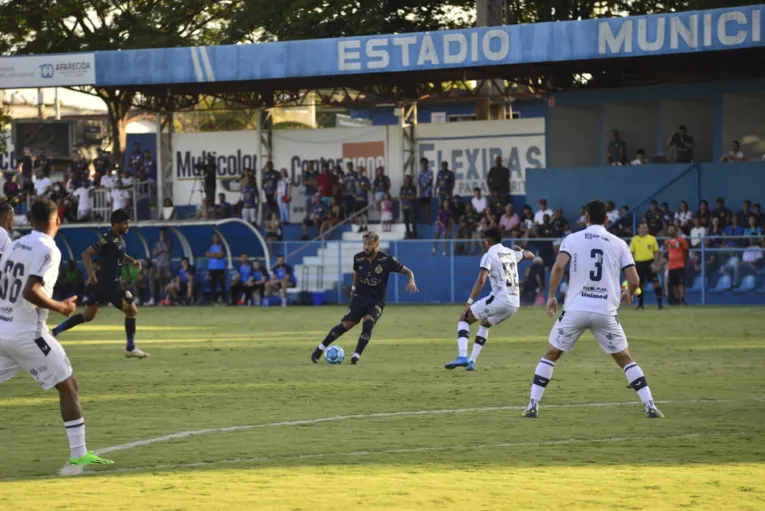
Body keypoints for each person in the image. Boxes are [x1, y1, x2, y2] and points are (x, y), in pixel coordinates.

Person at [521, 199, 664, 419]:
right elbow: (634, 280)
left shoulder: (572, 239)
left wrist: (551, 296)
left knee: (551, 354)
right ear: (607, 219)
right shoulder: (619, 243)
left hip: (576, 310)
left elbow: (559, 266)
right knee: (625, 358)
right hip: (605, 311)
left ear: (586, 218)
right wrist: (628, 293)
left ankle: (532, 405)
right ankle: (651, 406)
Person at [0, 199, 114, 470]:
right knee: (68, 385)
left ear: (29, 219)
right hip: (29, 334)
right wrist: (60, 306)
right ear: (57, 221)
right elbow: (30, 290)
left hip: (3, 328)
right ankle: (79, 452)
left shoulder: (15, 245)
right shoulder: (48, 248)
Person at [52, 209, 149, 359]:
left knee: (87, 316)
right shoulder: (107, 238)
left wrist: (132, 261)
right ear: (115, 224)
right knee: (131, 311)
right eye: (125, 223)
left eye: (128, 223)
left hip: (103, 286)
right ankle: (130, 347)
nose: (127, 226)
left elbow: (120, 255)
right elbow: (86, 254)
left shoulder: (118, 239)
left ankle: (54, 332)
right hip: (111, 285)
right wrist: (91, 275)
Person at [311, 231, 418, 365]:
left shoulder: (387, 260)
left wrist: (411, 281)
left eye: (369, 244)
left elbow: (407, 271)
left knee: (368, 322)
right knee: (346, 325)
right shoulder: (358, 258)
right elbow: (356, 274)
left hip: (376, 301)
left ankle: (356, 356)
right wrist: (354, 289)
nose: (366, 247)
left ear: (376, 244)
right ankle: (319, 349)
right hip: (359, 298)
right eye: (364, 244)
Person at [444, 228, 534, 371]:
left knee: (464, 319)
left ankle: (462, 356)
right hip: (514, 304)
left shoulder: (489, 254)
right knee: (485, 324)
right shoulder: (511, 253)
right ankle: (472, 361)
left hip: (500, 299)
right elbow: (531, 255)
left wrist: (469, 302)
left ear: (488, 241)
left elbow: (481, 280)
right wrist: (521, 250)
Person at [630, 222, 663, 310]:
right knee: (639, 285)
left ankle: (660, 304)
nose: (644, 229)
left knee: (656, 283)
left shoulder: (652, 239)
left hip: (650, 263)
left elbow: (656, 251)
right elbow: (632, 253)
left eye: (645, 228)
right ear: (638, 229)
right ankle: (640, 305)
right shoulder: (634, 239)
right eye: (642, 228)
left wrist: (655, 263)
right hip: (639, 264)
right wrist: (633, 265)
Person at [665, 225, 689, 306]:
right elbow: (668, 252)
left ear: (676, 230)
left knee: (680, 283)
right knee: (673, 284)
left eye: (672, 229)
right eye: (669, 229)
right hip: (671, 266)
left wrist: (684, 261)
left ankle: (682, 299)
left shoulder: (681, 240)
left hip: (680, 265)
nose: (670, 231)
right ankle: (677, 300)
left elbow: (686, 251)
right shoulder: (667, 241)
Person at [206, 233, 227, 305]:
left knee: (222, 284)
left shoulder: (222, 246)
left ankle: (224, 299)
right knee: (213, 285)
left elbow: (221, 255)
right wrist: (216, 254)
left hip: (220, 268)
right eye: (213, 237)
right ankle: (213, 300)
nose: (215, 239)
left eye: (216, 237)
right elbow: (207, 254)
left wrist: (213, 255)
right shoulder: (209, 246)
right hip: (212, 268)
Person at [399, 175, 417, 239]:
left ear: (410, 180)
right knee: (406, 222)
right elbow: (401, 197)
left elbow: (414, 197)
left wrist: (406, 197)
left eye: (408, 179)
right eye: (406, 179)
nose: (407, 180)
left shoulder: (413, 187)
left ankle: (414, 234)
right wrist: (408, 197)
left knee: (412, 221)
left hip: (411, 206)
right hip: (404, 207)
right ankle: (408, 234)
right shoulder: (402, 188)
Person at [418, 158, 434, 225]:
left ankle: (428, 220)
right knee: (424, 206)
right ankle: (425, 219)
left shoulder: (430, 171)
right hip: (422, 192)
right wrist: (421, 188)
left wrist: (424, 188)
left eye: (425, 163)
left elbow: (430, 181)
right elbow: (419, 181)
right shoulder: (420, 172)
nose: (423, 164)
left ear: (427, 163)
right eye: (422, 163)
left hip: (428, 191)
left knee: (427, 206)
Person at [202, 154, 217, 219]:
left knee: (211, 200)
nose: (208, 161)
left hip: (211, 185)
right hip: (207, 184)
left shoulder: (213, 166)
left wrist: (204, 166)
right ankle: (206, 212)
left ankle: (211, 214)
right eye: (207, 160)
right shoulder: (206, 167)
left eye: (209, 160)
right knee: (207, 198)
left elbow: (209, 169)